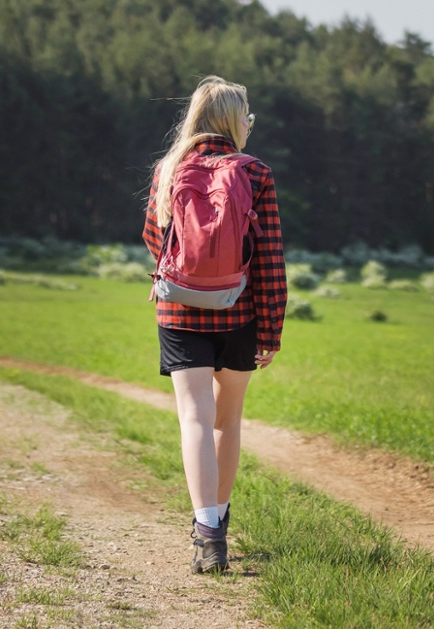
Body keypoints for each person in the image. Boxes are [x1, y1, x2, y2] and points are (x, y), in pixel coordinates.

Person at [142, 76, 286, 575]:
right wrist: (270, 330)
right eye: (246, 115)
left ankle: (206, 535)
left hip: (179, 310)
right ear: (234, 121)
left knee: (195, 419)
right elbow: (269, 260)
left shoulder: (168, 169)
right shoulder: (256, 172)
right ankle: (219, 521)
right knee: (228, 418)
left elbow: (153, 237)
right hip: (240, 311)